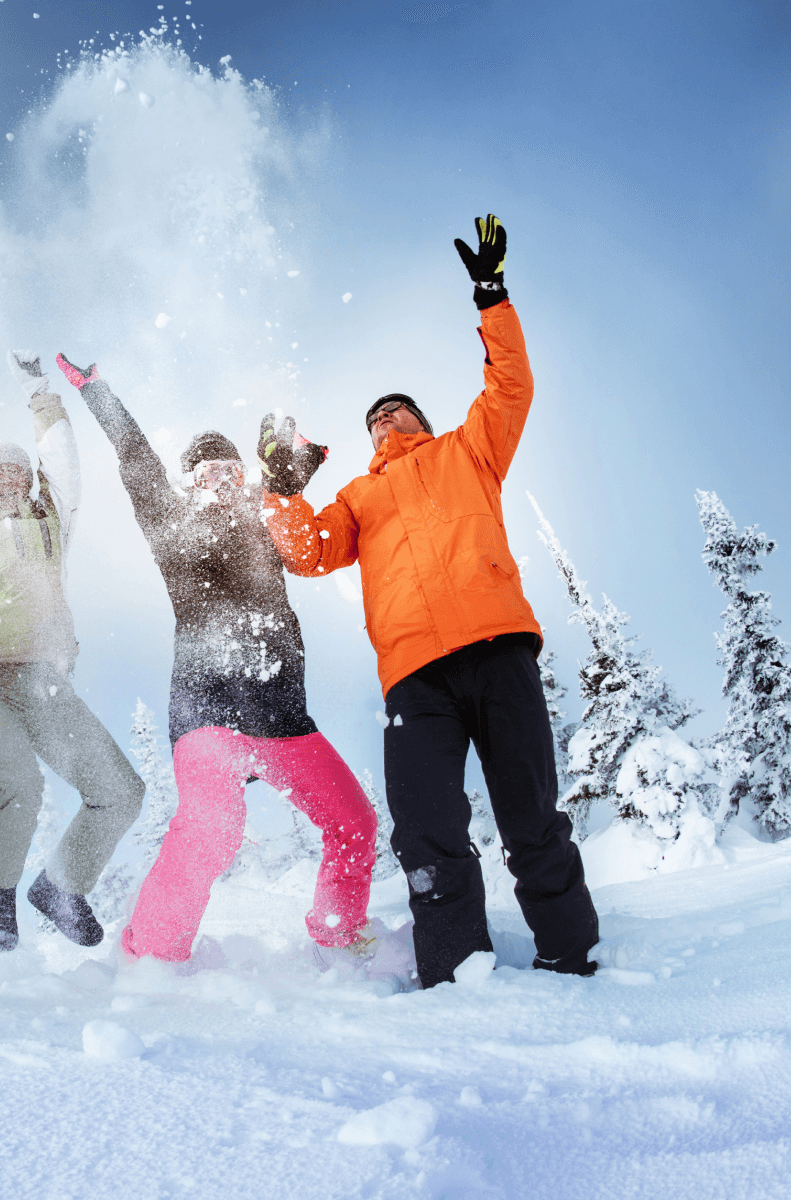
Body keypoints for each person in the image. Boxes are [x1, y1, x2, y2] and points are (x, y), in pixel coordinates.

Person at [263, 215, 601, 987]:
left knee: (529, 815)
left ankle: (572, 957)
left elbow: (510, 384)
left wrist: (492, 295)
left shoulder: (467, 450)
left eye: (396, 409)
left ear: (418, 416)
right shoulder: (358, 495)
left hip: (497, 649)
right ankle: (453, 973)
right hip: (415, 675)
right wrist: (283, 491)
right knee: (426, 828)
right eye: (375, 416)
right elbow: (309, 553)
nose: (386, 419)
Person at [53, 354, 380, 963]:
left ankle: (338, 940)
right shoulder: (173, 526)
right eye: (206, 471)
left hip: (282, 716)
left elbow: (297, 486)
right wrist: (98, 392)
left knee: (354, 822)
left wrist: (292, 461)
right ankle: (150, 959)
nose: (220, 478)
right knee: (212, 828)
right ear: (188, 482)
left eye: (230, 468)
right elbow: (137, 461)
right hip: (210, 712)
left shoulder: (266, 527)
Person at [0, 356, 145, 951]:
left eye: (19, 469)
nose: (10, 477)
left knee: (120, 791)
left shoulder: (51, 526)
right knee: (17, 782)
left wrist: (41, 393)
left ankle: (61, 888)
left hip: (48, 686)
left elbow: (63, 463)